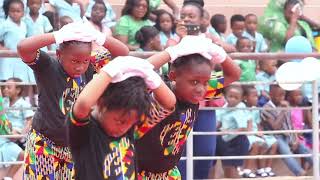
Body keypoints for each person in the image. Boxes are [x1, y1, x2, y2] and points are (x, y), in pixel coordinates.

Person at [17, 21, 129, 179]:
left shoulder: (91, 66)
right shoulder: (47, 66)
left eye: (84, 61)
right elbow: (23, 47)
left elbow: (123, 53)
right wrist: (58, 36)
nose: (80, 67)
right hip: (44, 145)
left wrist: (97, 36)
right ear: (58, 54)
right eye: (75, 61)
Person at [135, 35, 241, 179]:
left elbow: (234, 74)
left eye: (205, 82)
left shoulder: (197, 92)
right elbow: (137, 72)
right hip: (139, 173)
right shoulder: (161, 94)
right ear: (173, 76)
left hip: (169, 173)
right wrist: (173, 52)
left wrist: (218, 52)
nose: (201, 89)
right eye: (194, 82)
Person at [68, 56, 176, 179]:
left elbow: (169, 102)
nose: (124, 128)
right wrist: (110, 70)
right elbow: (83, 105)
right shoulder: (86, 130)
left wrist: (148, 74)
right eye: (119, 121)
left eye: (131, 123)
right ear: (102, 102)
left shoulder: (130, 128)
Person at [261, 85, 313, 176]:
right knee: (286, 152)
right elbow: (275, 127)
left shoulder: (285, 105)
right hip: (276, 136)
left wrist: (295, 139)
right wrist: (283, 110)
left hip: (289, 134)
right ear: (271, 95)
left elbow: (290, 124)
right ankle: (300, 173)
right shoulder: (266, 108)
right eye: (278, 95)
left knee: (305, 150)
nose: (281, 98)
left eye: (283, 95)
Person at [214, 85, 250, 178]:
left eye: (236, 98)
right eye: (231, 96)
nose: (233, 99)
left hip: (237, 141)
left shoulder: (240, 110)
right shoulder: (225, 107)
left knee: (231, 168)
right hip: (226, 141)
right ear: (225, 96)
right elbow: (219, 122)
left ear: (241, 99)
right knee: (226, 167)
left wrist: (228, 132)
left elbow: (243, 128)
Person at [242, 85, 277, 178]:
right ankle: (248, 169)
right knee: (257, 143)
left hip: (256, 133)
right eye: (254, 96)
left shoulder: (255, 109)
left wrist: (261, 133)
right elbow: (245, 127)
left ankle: (266, 169)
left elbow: (258, 124)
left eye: (257, 96)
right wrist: (256, 134)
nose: (256, 98)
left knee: (273, 143)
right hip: (247, 134)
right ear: (245, 98)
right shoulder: (242, 110)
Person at [0, 0, 35, 83]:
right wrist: (2, 48)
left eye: (18, 11)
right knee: (7, 79)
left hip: (20, 58)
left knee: (21, 81)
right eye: (12, 11)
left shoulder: (24, 25)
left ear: (23, 13)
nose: (15, 13)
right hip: (8, 58)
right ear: (8, 12)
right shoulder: (5, 25)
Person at [0, 88, 24, 180]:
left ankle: (8, 177)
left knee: (22, 154)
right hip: (3, 140)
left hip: (5, 138)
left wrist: (11, 131)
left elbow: (2, 113)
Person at [2, 77, 34, 148]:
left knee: (11, 132)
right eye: (4, 87)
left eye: (8, 87)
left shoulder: (23, 104)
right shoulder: (4, 101)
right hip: (5, 127)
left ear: (18, 90)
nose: (5, 89)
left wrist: (22, 136)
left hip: (17, 131)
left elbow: (29, 121)